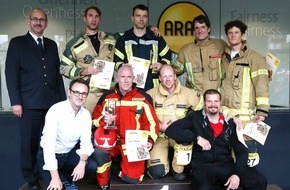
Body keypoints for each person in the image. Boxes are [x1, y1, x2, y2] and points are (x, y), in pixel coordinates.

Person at [5, 8, 66, 190]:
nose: (38, 22)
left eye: (42, 20)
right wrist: (16, 102)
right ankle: (31, 179)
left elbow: (56, 75)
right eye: (35, 19)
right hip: (28, 104)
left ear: (46, 23)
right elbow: (11, 74)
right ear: (29, 21)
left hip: (51, 104)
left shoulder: (51, 45)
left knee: (50, 142)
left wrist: (63, 102)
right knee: (29, 143)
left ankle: (45, 175)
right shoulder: (17, 43)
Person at [165, 89, 267, 190]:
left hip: (226, 166)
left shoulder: (230, 122)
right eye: (209, 101)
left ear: (220, 103)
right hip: (203, 167)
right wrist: (197, 138)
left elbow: (241, 151)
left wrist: (237, 175)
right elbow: (171, 130)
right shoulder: (195, 118)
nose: (213, 104)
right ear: (204, 103)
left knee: (259, 181)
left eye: (216, 101)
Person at [91, 64, 159, 190]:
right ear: (117, 78)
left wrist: (149, 140)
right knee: (99, 153)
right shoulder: (107, 97)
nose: (126, 80)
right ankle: (104, 183)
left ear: (134, 78)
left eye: (129, 77)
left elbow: (152, 123)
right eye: (123, 77)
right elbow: (94, 119)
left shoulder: (143, 98)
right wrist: (104, 121)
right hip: (111, 141)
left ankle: (117, 168)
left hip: (133, 143)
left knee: (133, 179)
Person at [221, 20, 270, 167]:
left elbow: (262, 84)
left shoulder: (254, 57)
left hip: (247, 120)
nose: (233, 35)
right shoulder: (224, 58)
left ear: (243, 35)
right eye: (230, 33)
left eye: (236, 32)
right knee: (227, 159)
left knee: (248, 161)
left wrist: (262, 111)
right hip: (228, 117)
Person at [37, 79, 94, 190]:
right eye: (76, 92)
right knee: (56, 188)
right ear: (69, 92)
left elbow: (86, 143)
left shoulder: (86, 115)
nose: (80, 96)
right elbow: (48, 146)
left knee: (91, 166)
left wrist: (82, 164)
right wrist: (55, 177)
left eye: (84, 94)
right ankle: (59, 176)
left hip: (67, 154)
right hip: (49, 155)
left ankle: (66, 178)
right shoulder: (56, 110)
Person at [146, 65, 201, 181]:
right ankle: (163, 165)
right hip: (159, 136)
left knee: (182, 170)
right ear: (159, 78)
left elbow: (202, 112)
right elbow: (143, 118)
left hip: (179, 137)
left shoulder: (188, 93)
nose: (168, 79)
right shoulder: (150, 94)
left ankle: (176, 169)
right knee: (156, 172)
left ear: (175, 76)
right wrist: (159, 126)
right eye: (164, 76)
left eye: (170, 76)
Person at [60, 6, 116, 113]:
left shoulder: (111, 39)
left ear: (100, 19)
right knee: (86, 127)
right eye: (90, 16)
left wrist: (150, 28)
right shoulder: (74, 44)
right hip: (87, 95)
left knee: (108, 126)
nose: (93, 19)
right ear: (84, 18)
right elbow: (63, 68)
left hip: (109, 94)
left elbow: (132, 33)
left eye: (96, 17)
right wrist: (82, 71)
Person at [114, 4, 171, 91]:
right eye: (138, 16)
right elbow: (116, 61)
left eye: (144, 16)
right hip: (130, 88)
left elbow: (167, 57)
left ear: (147, 19)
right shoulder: (123, 39)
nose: (141, 19)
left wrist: (161, 64)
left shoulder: (156, 38)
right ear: (132, 18)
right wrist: (123, 66)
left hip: (153, 88)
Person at [172, 14, 227, 101]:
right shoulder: (185, 50)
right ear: (193, 30)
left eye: (203, 27)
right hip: (194, 101)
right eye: (196, 28)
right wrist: (162, 67)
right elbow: (174, 71)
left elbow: (233, 63)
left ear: (209, 29)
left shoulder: (220, 45)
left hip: (216, 101)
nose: (200, 30)